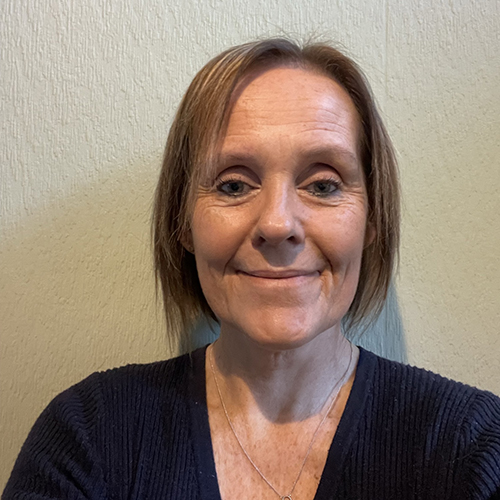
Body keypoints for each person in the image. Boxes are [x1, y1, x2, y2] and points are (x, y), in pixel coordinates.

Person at [3, 38, 500, 500]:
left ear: (372, 219)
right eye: (234, 185)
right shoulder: (88, 439)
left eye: (323, 185)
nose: (278, 224)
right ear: (182, 222)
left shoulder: (472, 449)